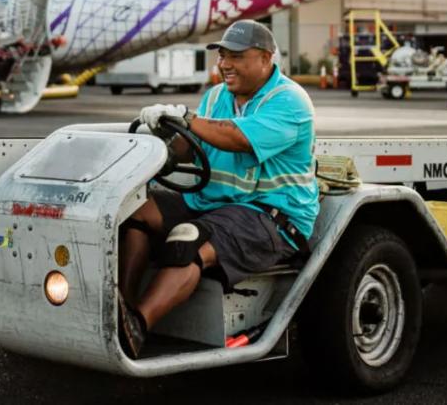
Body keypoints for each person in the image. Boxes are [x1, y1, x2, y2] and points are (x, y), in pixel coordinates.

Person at [118, 20, 317, 359]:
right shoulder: (216, 97)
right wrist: (164, 136)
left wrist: (187, 117)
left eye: (236, 56)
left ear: (266, 59)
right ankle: (120, 307)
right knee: (136, 211)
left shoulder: (289, 101)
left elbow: (235, 138)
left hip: (270, 216)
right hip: (213, 203)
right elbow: (192, 144)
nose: (225, 64)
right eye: (223, 55)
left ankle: (137, 326)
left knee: (186, 238)